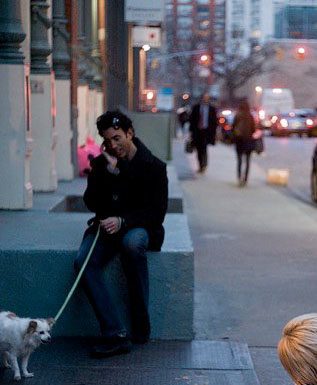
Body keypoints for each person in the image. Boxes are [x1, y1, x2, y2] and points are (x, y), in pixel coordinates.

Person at [74, 110, 168, 358]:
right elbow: (91, 202)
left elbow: (156, 214)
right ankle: (114, 333)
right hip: (106, 229)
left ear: (130, 133)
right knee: (83, 262)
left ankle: (141, 324)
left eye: (117, 138)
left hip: (139, 227)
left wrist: (123, 220)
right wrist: (105, 174)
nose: (113, 145)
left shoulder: (155, 167)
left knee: (132, 243)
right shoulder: (102, 164)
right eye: (108, 141)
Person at [189, 93, 217, 173]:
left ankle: (204, 164)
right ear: (201, 98)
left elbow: (214, 122)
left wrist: (214, 134)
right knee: (198, 149)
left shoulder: (212, 109)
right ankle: (200, 165)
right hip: (197, 131)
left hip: (206, 131)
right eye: (204, 98)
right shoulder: (196, 108)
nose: (205, 99)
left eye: (207, 98)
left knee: (204, 148)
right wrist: (191, 132)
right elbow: (192, 120)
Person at [232, 100, 256, 187]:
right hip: (248, 140)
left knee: (239, 160)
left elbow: (233, 128)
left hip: (239, 141)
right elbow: (253, 129)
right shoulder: (250, 116)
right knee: (248, 161)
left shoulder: (237, 116)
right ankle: (245, 178)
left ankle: (239, 177)